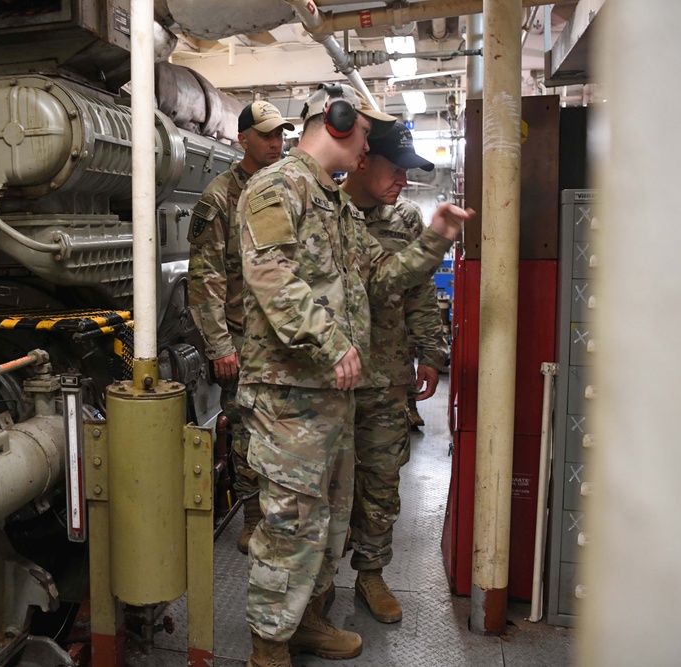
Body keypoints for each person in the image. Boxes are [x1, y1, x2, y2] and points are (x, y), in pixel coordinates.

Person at [236, 82, 472, 666]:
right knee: (290, 526)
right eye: (365, 134)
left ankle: (309, 620)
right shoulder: (275, 190)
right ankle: (268, 647)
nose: (367, 148)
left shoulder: (334, 206)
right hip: (290, 396)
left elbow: (386, 275)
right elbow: (271, 275)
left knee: (328, 522)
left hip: (332, 397)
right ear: (339, 123)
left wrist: (437, 237)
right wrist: (332, 342)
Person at [340, 123, 449, 623]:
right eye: (396, 169)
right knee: (324, 486)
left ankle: (371, 573)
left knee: (382, 480)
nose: (404, 180)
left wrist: (430, 351)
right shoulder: (324, 211)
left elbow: (420, 289)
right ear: (363, 160)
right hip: (329, 379)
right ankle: (317, 588)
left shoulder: (404, 217)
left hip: (385, 375)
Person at [187, 101, 294, 552]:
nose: (276, 143)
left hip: (289, 337)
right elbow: (205, 278)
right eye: (267, 135)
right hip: (243, 341)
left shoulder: (290, 188)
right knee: (247, 431)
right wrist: (219, 346)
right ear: (242, 139)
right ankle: (252, 516)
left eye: (280, 135)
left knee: (289, 429)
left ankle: (285, 513)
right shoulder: (221, 196)